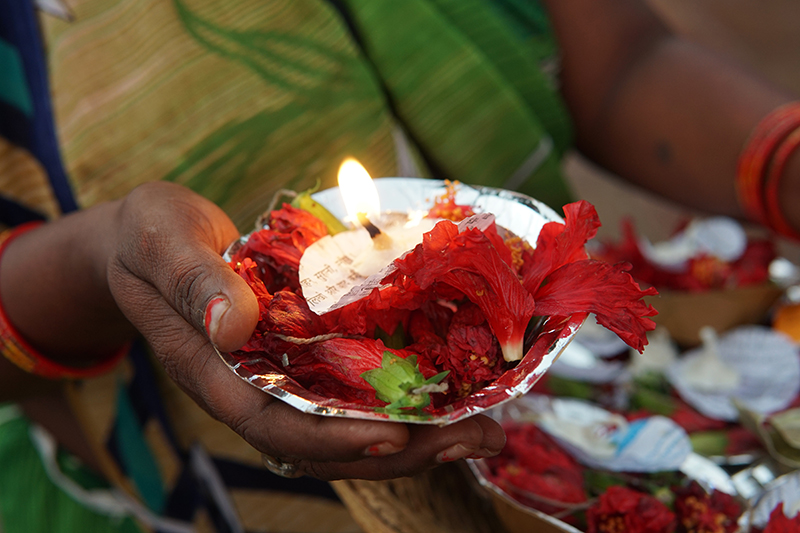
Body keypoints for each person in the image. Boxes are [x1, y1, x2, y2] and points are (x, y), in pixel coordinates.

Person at [0, 0, 798, 531]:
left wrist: (788, 166)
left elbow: (620, 59)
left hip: (567, 405)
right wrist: (103, 256)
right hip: (192, 486)